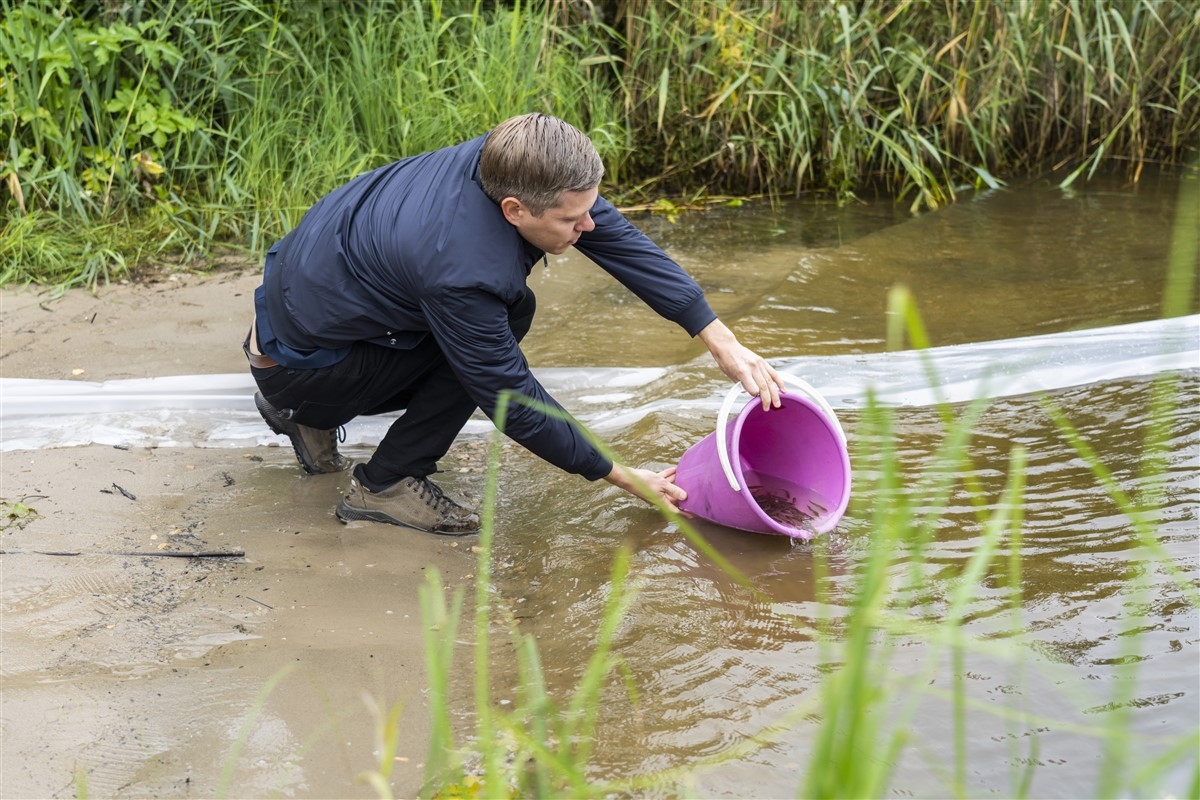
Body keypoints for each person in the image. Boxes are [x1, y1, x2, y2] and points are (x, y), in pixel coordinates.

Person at [245, 112, 782, 535]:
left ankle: (308, 415)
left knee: (501, 316)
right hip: (300, 366)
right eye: (572, 221)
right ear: (514, 210)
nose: (588, 225)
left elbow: (616, 238)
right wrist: (619, 474)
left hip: (304, 323)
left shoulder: (506, 158)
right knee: (501, 328)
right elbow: (508, 395)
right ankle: (382, 483)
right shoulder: (461, 269)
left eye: (588, 207)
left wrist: (718, 336)